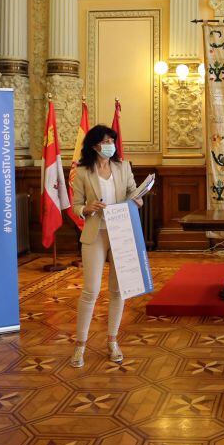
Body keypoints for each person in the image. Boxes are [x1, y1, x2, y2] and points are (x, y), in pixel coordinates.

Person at [69, 124, 143, 369]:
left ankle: (112, 341)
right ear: (94, 145)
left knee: (118, 290)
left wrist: (138, 198)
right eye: (105, 141)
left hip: (121, 232)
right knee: (90, 290)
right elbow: (75, 206)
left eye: (112, 140)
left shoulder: (123, 167)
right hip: (95, 233)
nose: (110, 145)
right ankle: (80, 345)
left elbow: (133, 192)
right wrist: (86, 209)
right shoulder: (81, 172)